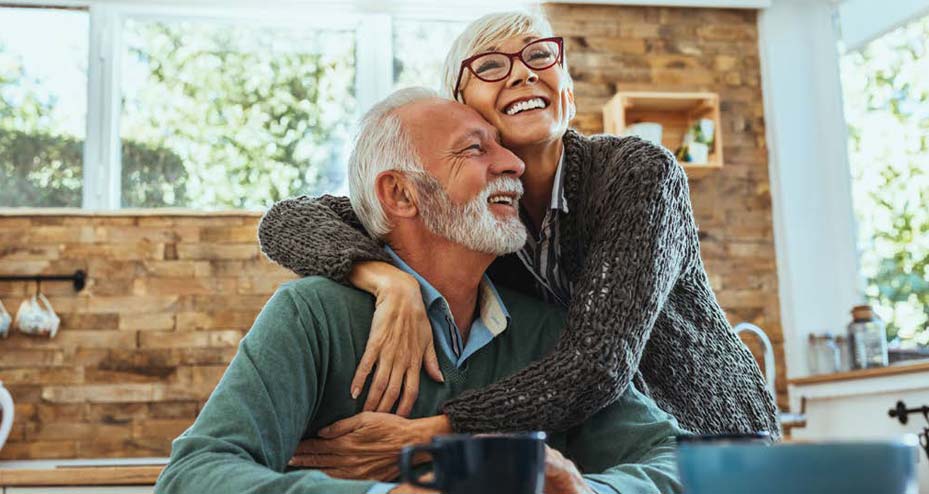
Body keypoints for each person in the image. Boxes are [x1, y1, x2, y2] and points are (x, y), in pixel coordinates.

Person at [258, 9, 779, 450]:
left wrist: (436, 432)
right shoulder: (472, 214)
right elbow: (287, 220)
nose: (523, 74)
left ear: (567, 92)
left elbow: (597, 363)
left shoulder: (638, 174)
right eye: (489, 65)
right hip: (603, 450)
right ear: (462, 108)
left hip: (713, 439)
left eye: (539, 56)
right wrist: (384, 279)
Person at [154, 88, 685, 494]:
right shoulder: (312, 316)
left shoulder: (546, 331)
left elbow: (675, 460)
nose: (513, 164)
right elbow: (193, 475)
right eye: (475, 149)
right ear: (401, 193)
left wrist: (588, 489)